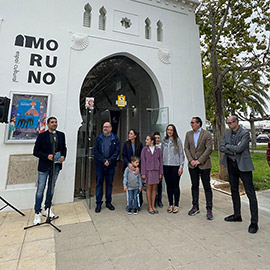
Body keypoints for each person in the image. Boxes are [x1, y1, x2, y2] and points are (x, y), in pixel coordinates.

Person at [220, 115, 259, 233]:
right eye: (227, 123)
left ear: (236, 122)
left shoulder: (244, 133)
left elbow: (240, 148)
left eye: (230, 123)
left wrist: (229, 147)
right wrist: (231, 147)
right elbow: (222, 147)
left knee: (250, 193)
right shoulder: (227, 134)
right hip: (231, 165)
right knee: (234, 190)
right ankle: (237, 215)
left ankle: (254, 222)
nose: (229, 125)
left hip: (243, 165)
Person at [33, 117, 67, 225]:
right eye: (52, 122)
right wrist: (46, 156)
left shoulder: (61, 135)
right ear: (47, 124)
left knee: (51, 188)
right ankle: (37, 212)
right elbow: (36, 152)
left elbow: (64, 148)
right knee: (40, 189)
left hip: (55, 166)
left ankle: (47, 208)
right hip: (44, 166)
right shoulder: (42, 136)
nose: (54, 124)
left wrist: (63, 156)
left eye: (56, 122)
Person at [184, 117, 213, 220]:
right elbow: (186, 148)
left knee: (206, 187)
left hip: (204, 165)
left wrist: (199, 161)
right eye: (191, 122)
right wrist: (191, 160)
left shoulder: (207, 134)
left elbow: (209, 149)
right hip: (192, 165)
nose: (191, 124)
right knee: (194, 186)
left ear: (198, 123)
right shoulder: (188, 134)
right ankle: (195, 206)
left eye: (192, 122)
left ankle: (209, 209)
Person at [94, 122, 120, 213]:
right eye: (104, 127)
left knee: (109, 184)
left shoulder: (115, 139)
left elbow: (117, 151)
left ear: (111, 128)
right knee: (99, 184)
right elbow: (95, 151)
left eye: (107, 127)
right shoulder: (98, 138)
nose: (105, 128)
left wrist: (109, 160)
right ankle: (98, 204)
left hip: (111, 165)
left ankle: (108, 202)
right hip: (100, 165)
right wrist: (103, 160)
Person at [162, 124, 185, 214]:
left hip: (175, 166)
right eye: (168, 130)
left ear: (174, 131)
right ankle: (170, 204)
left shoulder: (178, 141)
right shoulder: (164, 141)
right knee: (169, 186)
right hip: (166, 166)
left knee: (175, 185)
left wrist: (181, 166)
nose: (169, 131)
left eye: (171, 130)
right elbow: (161, 154)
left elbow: (181, 154)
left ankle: (176, 204)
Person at [141, 135, 163, 214]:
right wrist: (143, 173)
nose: (146, 141)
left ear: (152, 141)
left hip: (156, 171)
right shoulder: (144, 150)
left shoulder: (158, 150)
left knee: (154, 189)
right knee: (148, 188)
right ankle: (149, 206)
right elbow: (143, 162)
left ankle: (153, 206)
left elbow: (160, 161)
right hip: (148, 171)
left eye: (147, 140)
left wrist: (161, 172)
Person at [122, 129, 143, 208]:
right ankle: (129, 204)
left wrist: (138, 167)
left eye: (131, 134)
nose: (129, 135)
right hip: (128, 168)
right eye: (129, 133)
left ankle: (138, 203)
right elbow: (123, 155)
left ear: (135, 135)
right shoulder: (126, 144)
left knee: (138, 184)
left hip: (137, 168)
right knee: (129, 186)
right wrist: (128, 164)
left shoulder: (140, 144)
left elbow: (141, 157)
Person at [154, 131, 163, 208]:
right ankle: (154, 201)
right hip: (153, 169)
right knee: (154, 186)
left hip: (160, 168)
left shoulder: (162, 146)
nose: (157, 139)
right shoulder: (151, 147)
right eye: (155, 138)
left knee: (159, 186)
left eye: (158, 138)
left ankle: (159, 200)